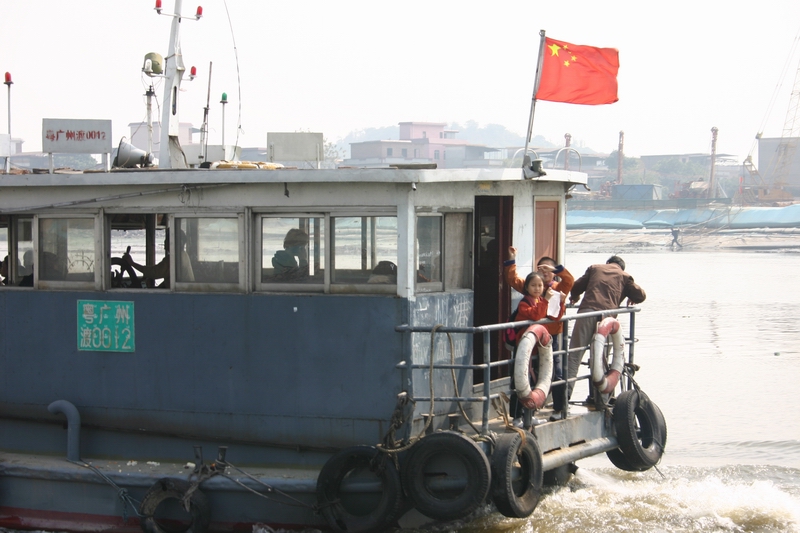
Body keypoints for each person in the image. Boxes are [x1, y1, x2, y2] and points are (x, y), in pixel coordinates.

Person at [567, 255, 646, 403]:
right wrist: (633, 298)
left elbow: (576, 286)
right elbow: (641, 295)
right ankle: (601, 399)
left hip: (587, 313)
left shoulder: (594, 268)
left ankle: (564, 397)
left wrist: (575, 296)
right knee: (601, 359)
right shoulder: (624, 276)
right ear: (621, 267)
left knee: (574, 356)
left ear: (608, 263)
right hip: (608, 320)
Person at [504, 246, 566, 423]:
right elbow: (536, 315)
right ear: (527, 287)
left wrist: (561, 303)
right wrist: (512, 259)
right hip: (524, 348)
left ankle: (530, 415)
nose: (537, 288)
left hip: (537, 348)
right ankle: (517, 417)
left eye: (540, 285)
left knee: (534, 380)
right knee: (519, 381)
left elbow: (554, 315)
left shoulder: (543, 298)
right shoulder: (525, 303)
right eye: (533, 285)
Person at [124, 228, 194, 287]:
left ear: (174, 242)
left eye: (167, 239)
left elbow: (154, 272)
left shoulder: (174, 259)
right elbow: (167, 280)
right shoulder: (183, 255)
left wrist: (132, 263)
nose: (164, 241)